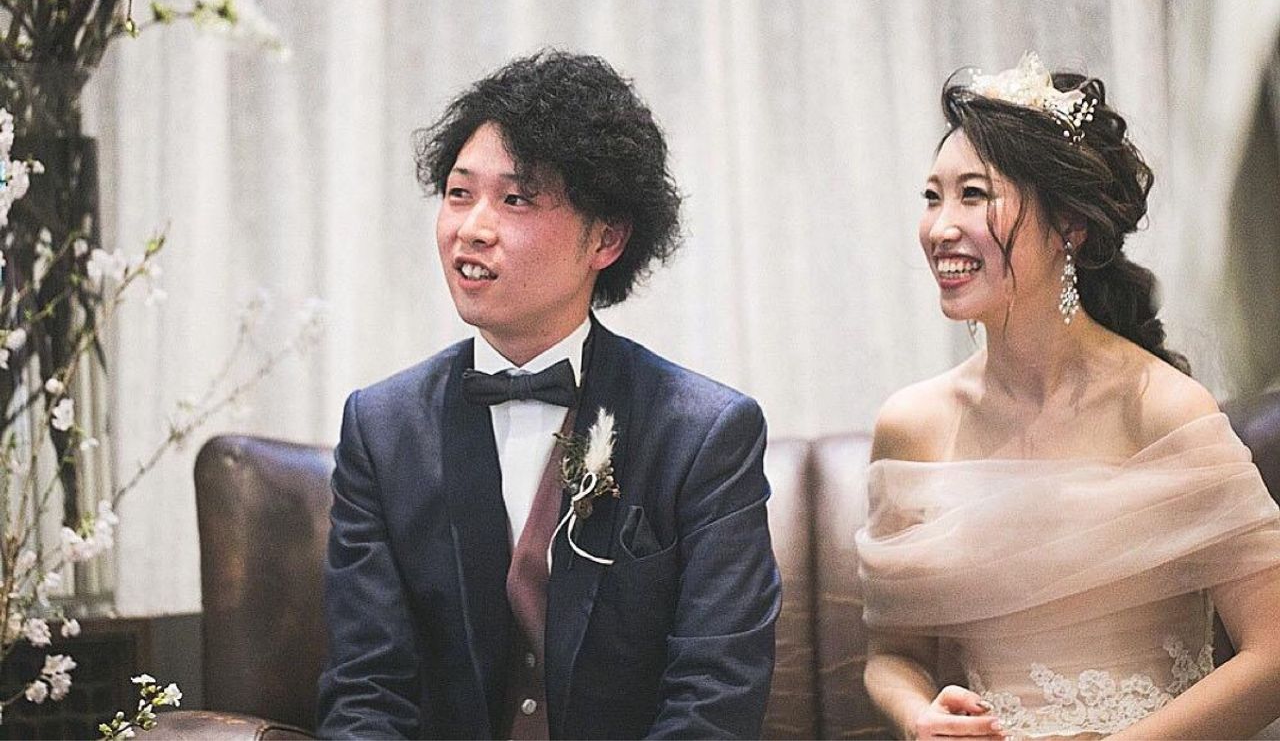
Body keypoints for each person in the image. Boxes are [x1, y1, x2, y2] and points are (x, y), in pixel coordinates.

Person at [316, 50, 780, 739]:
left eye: (516, 199)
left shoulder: (704, 434)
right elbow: (366, 693)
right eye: (458, 193)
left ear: (607, 238)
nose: (472, 228)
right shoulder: (381, 430)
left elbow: (716, 697)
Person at [856, 53, 1280, 740]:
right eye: (933, 197)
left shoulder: (1162, 409)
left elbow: (1273, 656)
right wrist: (917, 714)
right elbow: (893, 655)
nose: (940, 228)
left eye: (973, 194)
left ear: (1069, 226)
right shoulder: (911, 426)